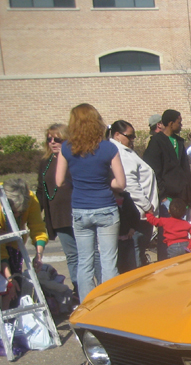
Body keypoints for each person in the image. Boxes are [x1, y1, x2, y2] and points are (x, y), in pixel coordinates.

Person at [56, 103, 126, 301]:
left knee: (84, 262)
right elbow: (120, 183)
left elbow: (59, 181)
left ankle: (87, 307)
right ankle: (110, 304)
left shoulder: (66, 148)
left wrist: (77, 181)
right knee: (108, 262)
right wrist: (104, 180)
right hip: (105, 207)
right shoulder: (108, 147)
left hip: (80, 209)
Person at [142, 109, 191, 260]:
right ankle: (164, 263)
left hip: (181, 196)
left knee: (181, 233)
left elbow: (184, 169)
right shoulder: (157, 142)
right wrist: (163, 196)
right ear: (171, 123)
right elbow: (153, 171)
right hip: (167, 198)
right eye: (179, 121)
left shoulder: (179, 141)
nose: (181, 124)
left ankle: (181, 261)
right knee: (167, 235)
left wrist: (190, 197)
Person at [108, 120, 158, 270]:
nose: (133, 139)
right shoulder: (120, 153)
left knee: (138, 251)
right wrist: (146, 205)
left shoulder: (125, 150)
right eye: (130, 136)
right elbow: (129, 183)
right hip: (136, 210)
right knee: (134, 252)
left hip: (141, 209)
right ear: (117, 135)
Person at [36, 124, 79, 297]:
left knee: (87, 254)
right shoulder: (45, 162)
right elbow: (40, 190)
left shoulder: (75, 158)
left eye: (57, 139)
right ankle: (78, 289)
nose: (53, 142)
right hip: (57, 216)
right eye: (49, 139)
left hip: (76, 212)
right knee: (72, 255)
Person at [1, 179, 48, 310]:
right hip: (1, 246)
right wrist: (8, 277)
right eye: (15, 211)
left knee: (14, 288)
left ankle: (13, 322)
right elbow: (1, 250)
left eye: (21, 213)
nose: (17, 215)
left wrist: (38, 256)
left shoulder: (31, 199)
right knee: (5, 287)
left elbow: (38, 228)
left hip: (14, 245)